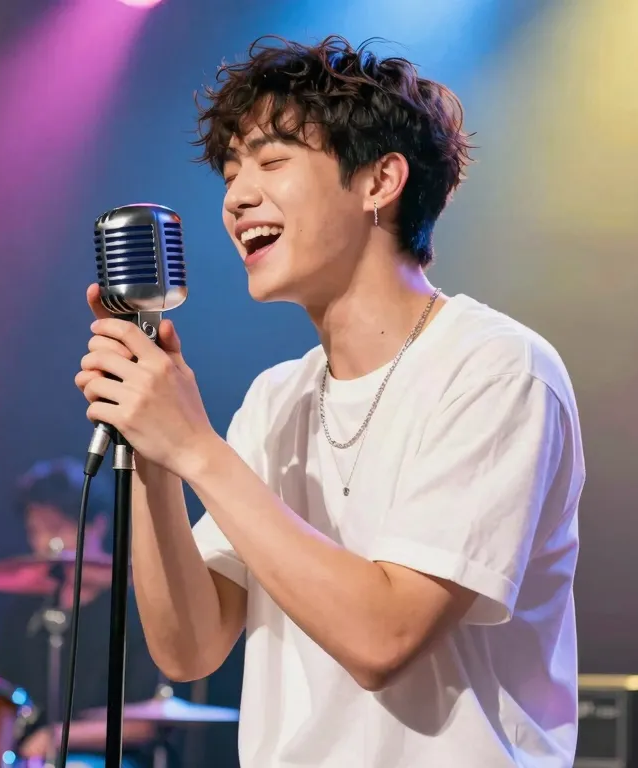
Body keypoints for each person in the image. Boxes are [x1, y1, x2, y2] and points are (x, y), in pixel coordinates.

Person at [72, 35, 585, 767]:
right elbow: (189, 647)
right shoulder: (276, 398)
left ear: (380, 181)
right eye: (231, 172)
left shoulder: (496, 368)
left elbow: (385, 637)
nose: (236, 198)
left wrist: (194, 447)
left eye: (272, 162)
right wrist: (153, 450)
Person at [0, 457, 160, 767]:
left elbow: (145, 723)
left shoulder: (134, 608)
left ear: (97, 525)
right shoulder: (29, 610)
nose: (45, 542)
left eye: (56, 528)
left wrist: (55, 737)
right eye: (35, 531)